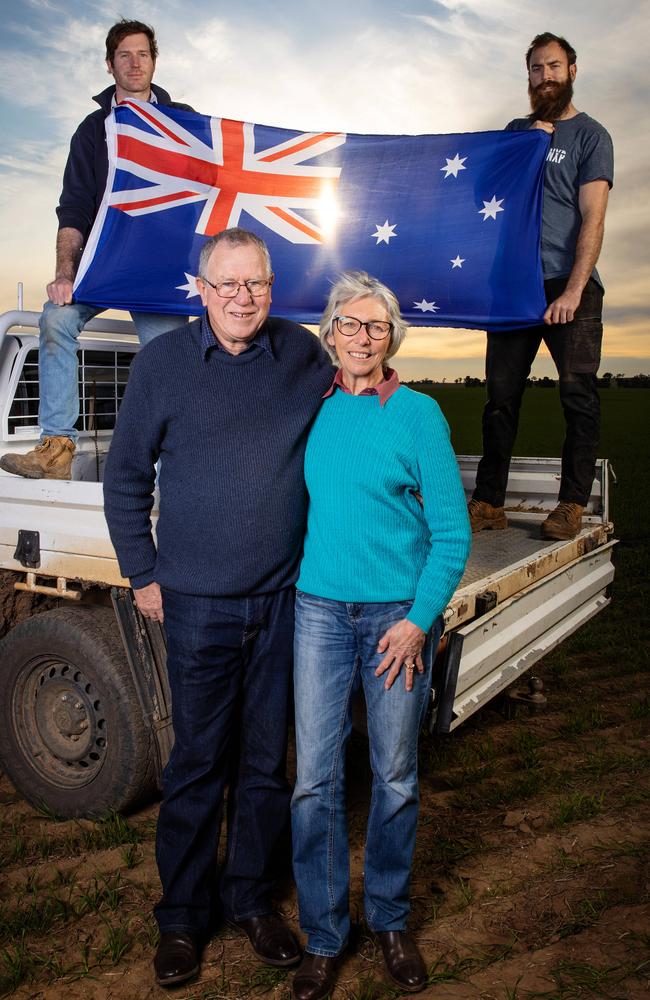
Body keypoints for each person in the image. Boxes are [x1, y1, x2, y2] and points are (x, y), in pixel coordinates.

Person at [102, 228, 334, 988]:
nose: (242, 298)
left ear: (274, 286)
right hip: (195, 604)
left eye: (257, 284)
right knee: (198, 762)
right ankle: (182, 917)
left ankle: (252, 901)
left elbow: (359, 382)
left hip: (280, 600)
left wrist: (388, 378)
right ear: (198, 290)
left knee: (267, 764)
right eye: (226, 285)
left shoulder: (301, 354)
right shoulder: (164, 364)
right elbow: (127, 477)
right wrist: (143, 572)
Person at [290, 272, 471, 1000]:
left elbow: (453, 536)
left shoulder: (420, 415)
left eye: (376, 327)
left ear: (391, 337)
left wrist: (417, 622)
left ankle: (391, 920)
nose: (363, 338)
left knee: (394, 775)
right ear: (330, 332)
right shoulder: (312, 408)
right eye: (349, 324)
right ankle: (327, 935)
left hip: (396, 619)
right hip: (319, 614)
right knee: (315, 780)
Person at [0, 18, 192, 482]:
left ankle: (176, 471)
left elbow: (204, 193)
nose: (134, 63)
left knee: (168, 361)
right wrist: (65, 272)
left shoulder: (183, 119)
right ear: (110, 65)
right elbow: (73, 208)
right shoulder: (92, 131)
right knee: (56, 317)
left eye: (142, 54)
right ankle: (57, 448)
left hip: (159, 270)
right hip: (103, 262)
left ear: (154, 61)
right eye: (124, 55)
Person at [469, 32, 614, 541]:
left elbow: (593, 218)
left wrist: (574, 290)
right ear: (528, 76)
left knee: (578, 396)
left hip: (567, 281)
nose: (544, 76)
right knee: (500, 398)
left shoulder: (592, 136)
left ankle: (570, 503)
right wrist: (527, 141)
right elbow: (484, 192)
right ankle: (488, 502)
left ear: (572, 70)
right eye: (536, 68)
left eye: (553, 66)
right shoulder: (516, 131)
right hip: (513, 284)